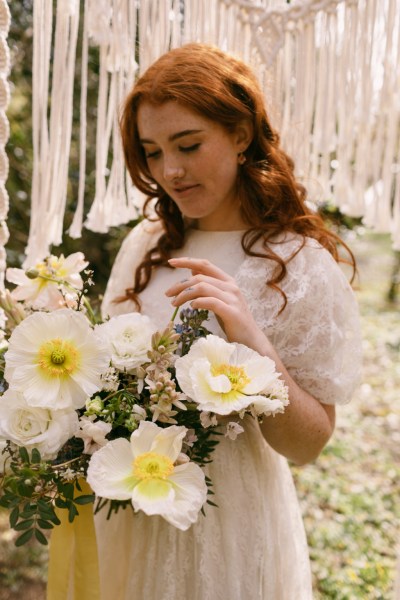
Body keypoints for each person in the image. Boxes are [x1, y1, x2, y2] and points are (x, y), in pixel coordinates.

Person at [99, 43, 362, 599]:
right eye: (151, 152)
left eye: (188, 145)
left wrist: (251, 340)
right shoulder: (145, 245)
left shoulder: (299, 264)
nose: (169, 170)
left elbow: (309, 446)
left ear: (241, 134)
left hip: (229, 525)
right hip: (128, 511)